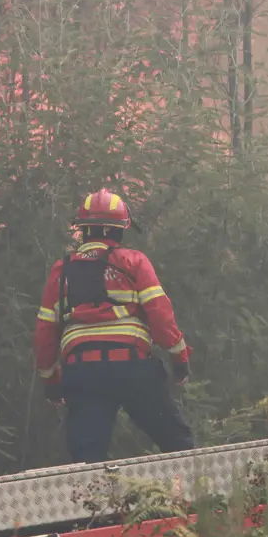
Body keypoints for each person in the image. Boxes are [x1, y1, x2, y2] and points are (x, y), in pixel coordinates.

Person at [35, 189, 195, 464]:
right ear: (120, 229)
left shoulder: (61, 271)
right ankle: (192, 488)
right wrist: (179, 359)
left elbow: (45, 333)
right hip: (132, 367)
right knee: (177, 444)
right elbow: (160, 316)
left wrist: (51, 381)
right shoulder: (133, 262)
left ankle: (95, 492)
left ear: (83, 230)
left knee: (87, 460)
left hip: (84, 372)